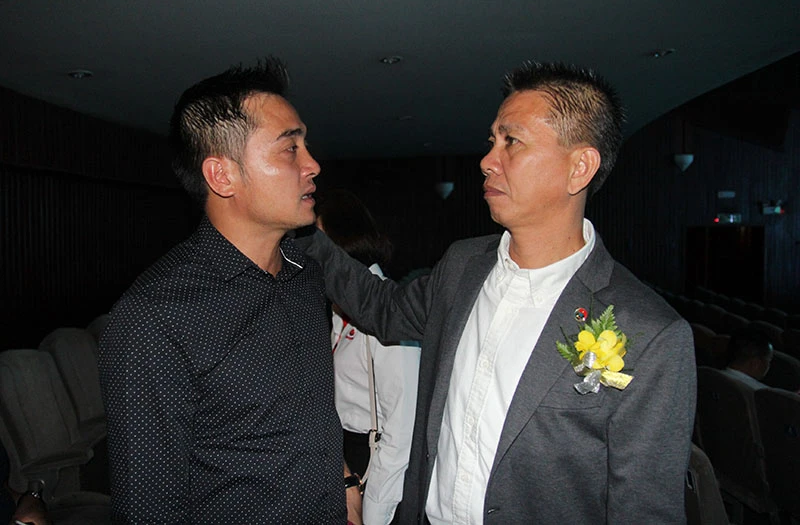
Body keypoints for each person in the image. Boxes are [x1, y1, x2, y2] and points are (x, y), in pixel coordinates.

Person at [301, 61, 696, 523]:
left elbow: (645, 511)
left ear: (579, 168)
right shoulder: (462, 266)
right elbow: (381, 308)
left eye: (512, 141)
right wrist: (299, 230)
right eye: (493, 141)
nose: (488, 160)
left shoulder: (650, 334)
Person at [98, 58, 353, 523]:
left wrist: (344, 482)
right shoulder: (153, 318)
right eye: (289, 148)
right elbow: (148, 509)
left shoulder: (306, 276)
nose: (313, 164)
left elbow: (305, 417)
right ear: (222, 176)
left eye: (306, 146)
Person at [315, 189, 420, 525]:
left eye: (318, 240)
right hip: (341, 454)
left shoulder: (387, 309)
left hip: (374, 461)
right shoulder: (337, 307)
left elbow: (402, 430)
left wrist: (375, 513)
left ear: (343, 242)